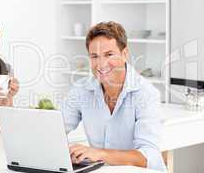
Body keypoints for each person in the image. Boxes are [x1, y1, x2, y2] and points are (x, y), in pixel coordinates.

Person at [62, 21, 166, 171]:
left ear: (124, 54)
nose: (101, 64)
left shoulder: (146, 94)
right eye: (94, 56)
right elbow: (54, 130)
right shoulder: (81, 90)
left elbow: (148, 157)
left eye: (109, 55)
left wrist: (99, 153)